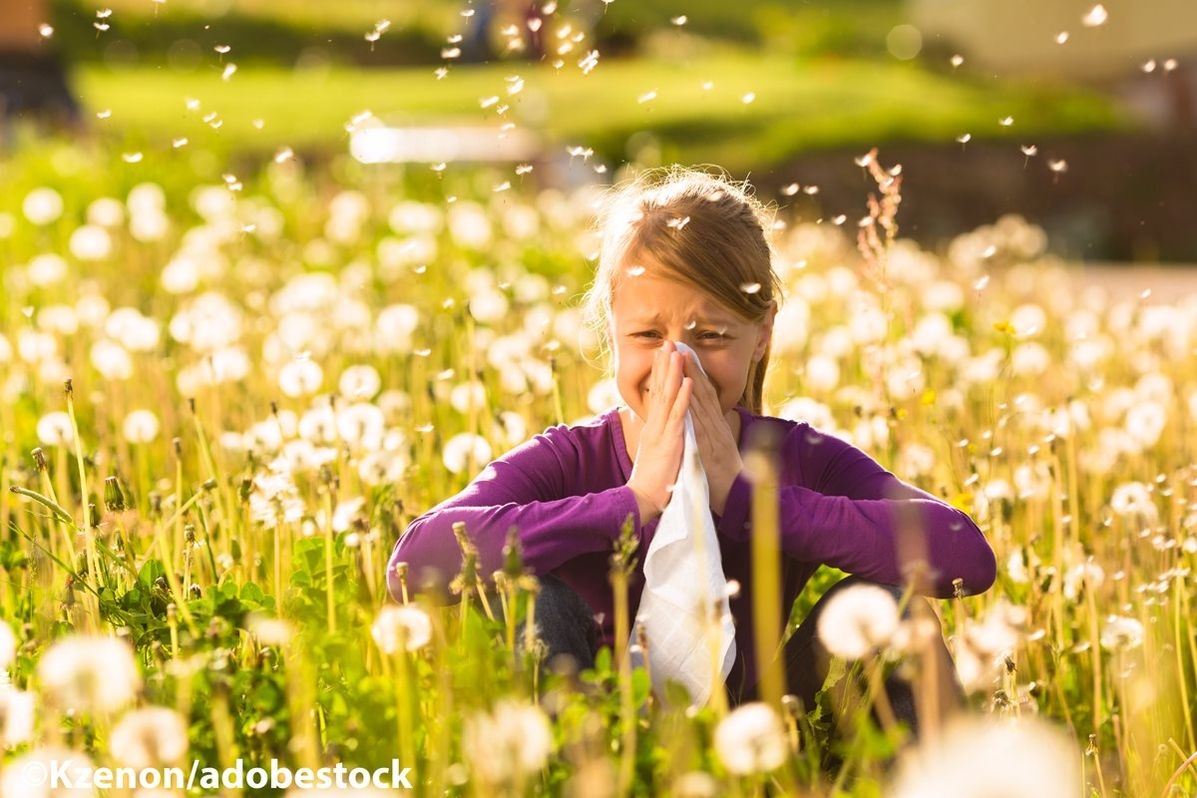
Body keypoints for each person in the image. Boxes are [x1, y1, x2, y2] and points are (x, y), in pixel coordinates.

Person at [386, 166, 997, 732]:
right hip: (591, 724)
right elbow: (413, 565)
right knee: (530, 597)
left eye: (710, 336)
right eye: (648, 335)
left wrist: (753, 502)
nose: (677, 364)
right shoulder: (571, 458)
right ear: (612, 331)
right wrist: (634, 501)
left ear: (762, 337)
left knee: (894, 607)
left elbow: (965, 555)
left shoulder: (797, 457)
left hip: (758, 725)